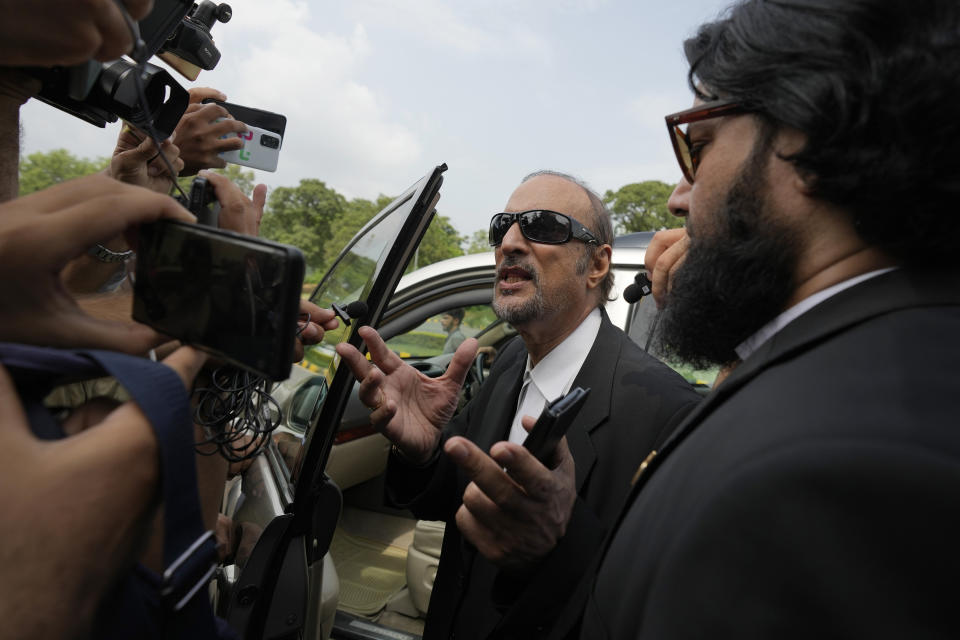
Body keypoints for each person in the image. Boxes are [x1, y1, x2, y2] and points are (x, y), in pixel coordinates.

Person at [557, 1, 960, 637]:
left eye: (700, 144)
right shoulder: (875, 366)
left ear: (808, 136)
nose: (677, 195)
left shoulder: (843, 473)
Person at [337, 170, 700, 639]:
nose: (509, 241)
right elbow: (459, 501)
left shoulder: (668, 415)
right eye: (501, 226)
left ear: (596, 265)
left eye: (542, 226)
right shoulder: (510, 360)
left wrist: (552, 547)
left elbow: (646, 608)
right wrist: (425, 450)